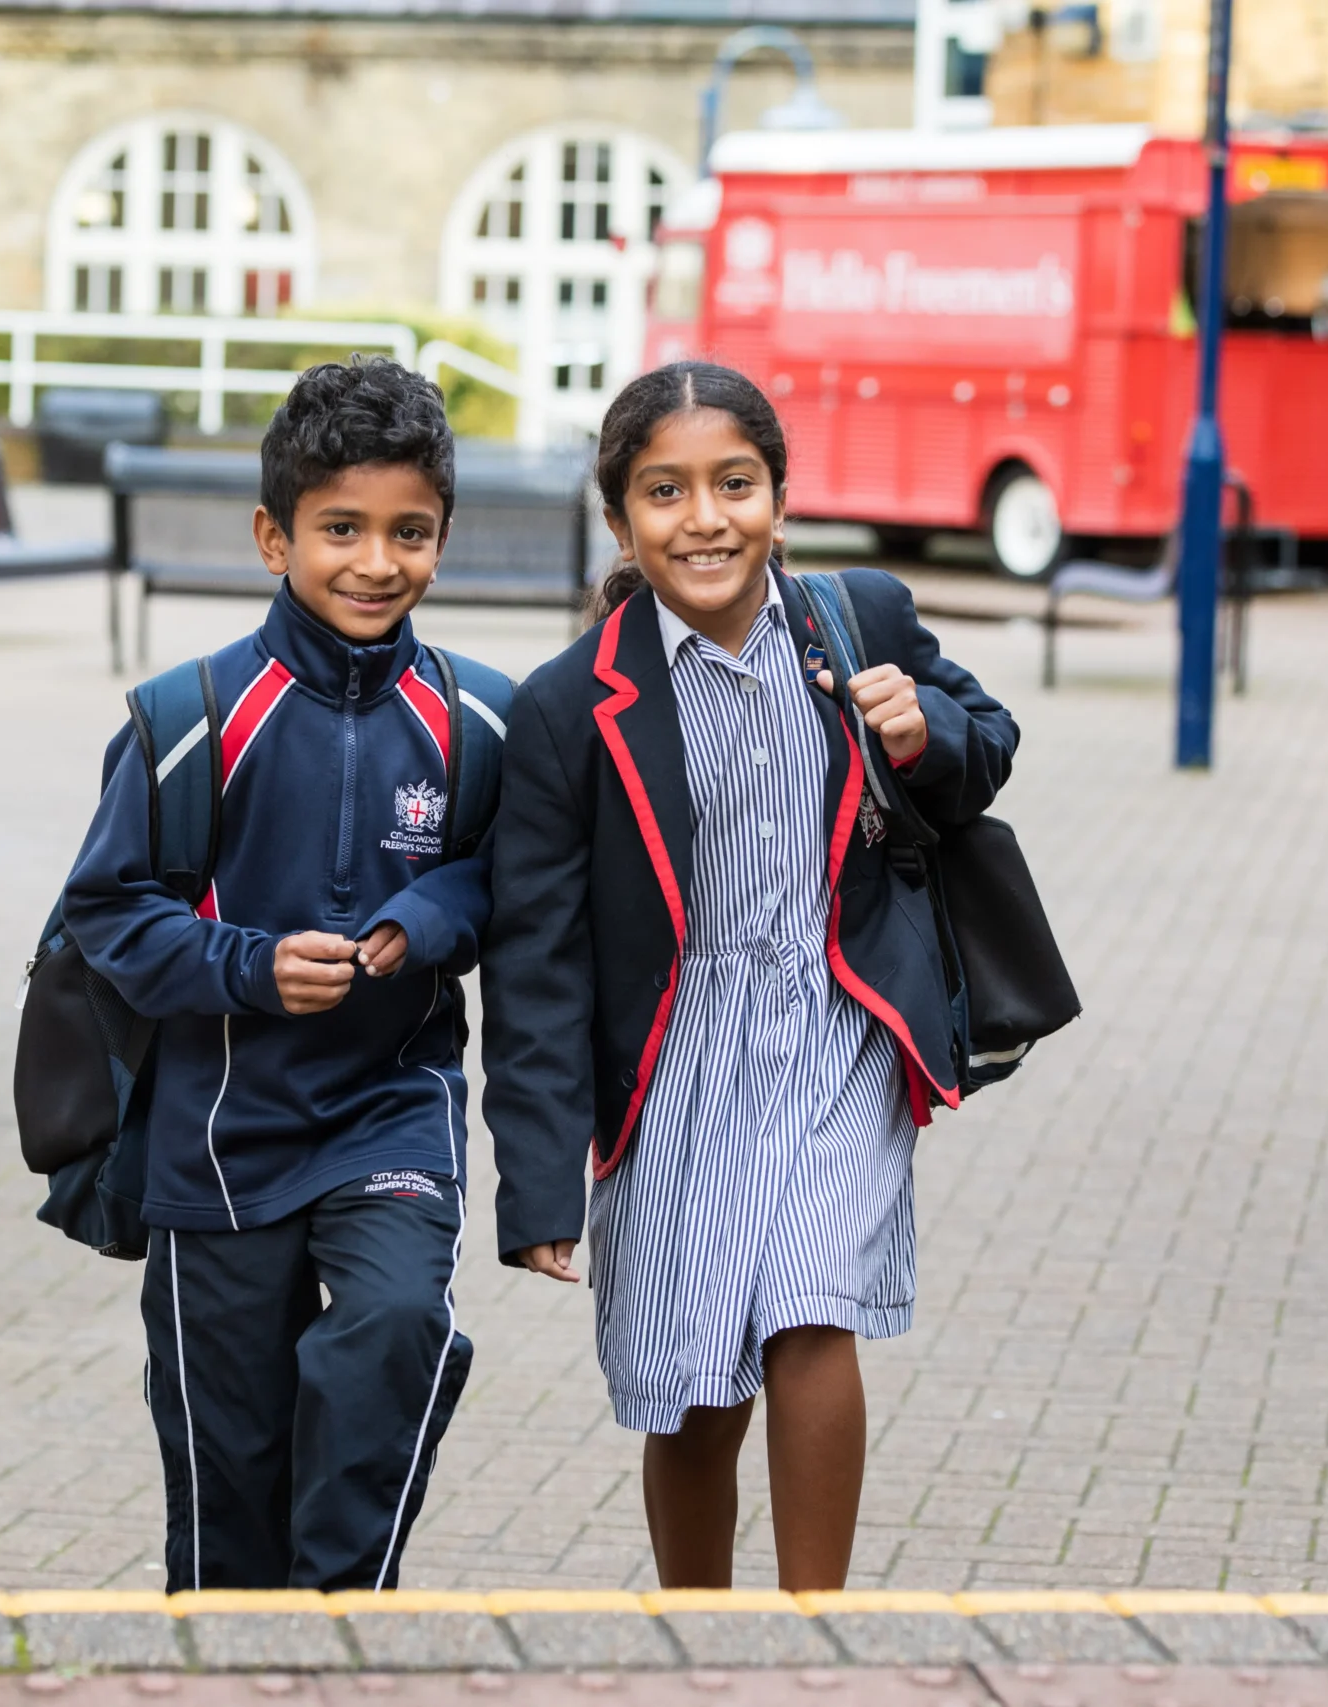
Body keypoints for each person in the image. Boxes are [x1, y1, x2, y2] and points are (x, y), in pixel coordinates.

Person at [481, 361, 1020, 1591]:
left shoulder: (859, 617)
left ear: (780, 495)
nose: (705, 519)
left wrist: (924, 734)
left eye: (735, 484)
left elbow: (987, 741)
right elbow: (536, 960)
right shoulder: (569, 707)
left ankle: (811, 1637)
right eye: (664, 492)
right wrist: (538, 1178)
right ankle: (701, 1635)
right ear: (620, 520)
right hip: (672, 1060)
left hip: (835, 1027)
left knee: (809, 1311)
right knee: (694, 1373)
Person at [60, 357, 509, 1592]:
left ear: (442, 538)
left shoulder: (484, 720)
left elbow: (516, 881)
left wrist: (435, 911)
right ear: (274, 537)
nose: (376, 561)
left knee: (396, 1326)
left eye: (409, 531)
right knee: (226, 1485)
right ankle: (231, 1646)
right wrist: (248, 967)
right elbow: (107, 913)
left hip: (390, 1112)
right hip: (216, 1138)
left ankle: (337, 1627)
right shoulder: (186, 717)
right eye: (340, 529)